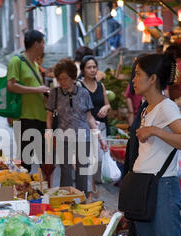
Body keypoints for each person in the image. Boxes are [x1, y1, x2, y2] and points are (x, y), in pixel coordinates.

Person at [122, 53, 181, 236]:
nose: (134, 80)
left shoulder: (167, 107)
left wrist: (155, 131)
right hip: (143, 187)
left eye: (138, 75)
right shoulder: (147, 107)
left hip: (161, 188)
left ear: (153, 78)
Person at [46, 58, 108, 195]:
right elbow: (49, 117)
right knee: (65, 170)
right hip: (63, 137)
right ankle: (65, 199)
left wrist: (100, 138)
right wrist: (49, 132)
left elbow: (89, 118)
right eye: (60, 79)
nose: (62, 82)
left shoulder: (84, 93)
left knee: (82, 171)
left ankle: (82, 199)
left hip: (83, 137)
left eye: (65, 78)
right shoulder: (55, 94)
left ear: (73, 76)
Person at [6, 29, 50, 175]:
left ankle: (42, 190)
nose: (44, 46)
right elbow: (11, 85)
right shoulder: (16, 61)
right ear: (36, 44)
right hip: (24, 117)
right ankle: (24, 192)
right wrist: (37, 89)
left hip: (40, 117)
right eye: (43, 43)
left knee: (44, 160)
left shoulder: (36, 65)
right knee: (26, 160)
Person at [79, 55, 111, 200]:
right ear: (83, 70)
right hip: (85, 126)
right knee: (89, 158)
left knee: (98, 158)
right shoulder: (79, 86)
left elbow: (107, 103)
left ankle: (92, 185)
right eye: (89, 67)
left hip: (101, 126)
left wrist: (105, 107)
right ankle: (90, 189)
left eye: (94, 67)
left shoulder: (101, 85)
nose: (92, 70)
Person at [124, 55, 146, 125]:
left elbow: (131, 112)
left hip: (136, 122)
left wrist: (131, 128)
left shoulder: (130, 87)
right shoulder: (150, 86)